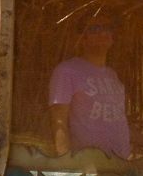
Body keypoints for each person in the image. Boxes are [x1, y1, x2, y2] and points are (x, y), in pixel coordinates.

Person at [49, 15, 131, 159]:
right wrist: (65, 162)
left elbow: (117, 121)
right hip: (88, 164)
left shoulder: (112, 76)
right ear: (82, 39)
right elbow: (59, 121)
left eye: (107, 28)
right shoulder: (67, 71)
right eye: (94, 29)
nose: (103, 33)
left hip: (120, 164)